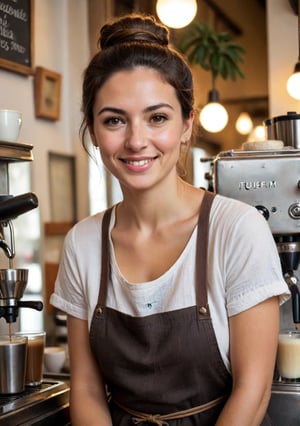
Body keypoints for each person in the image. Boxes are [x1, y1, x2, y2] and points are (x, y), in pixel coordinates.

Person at [50, 13, 290, 426]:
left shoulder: (236, 229)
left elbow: (253, 391)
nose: (136, 140)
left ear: (186, 125)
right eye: (114, 120)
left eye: (157, 117)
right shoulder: (83, 243)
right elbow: (86, 389)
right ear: (93, 129)